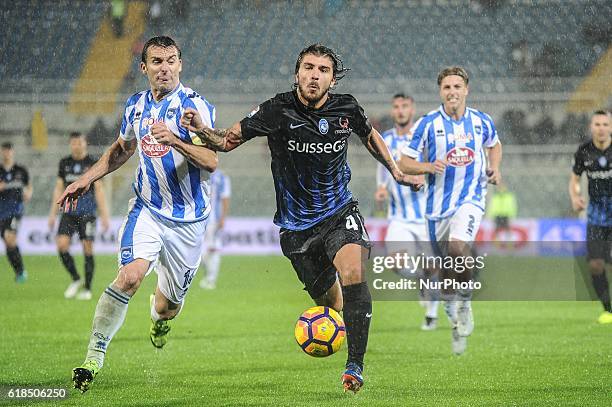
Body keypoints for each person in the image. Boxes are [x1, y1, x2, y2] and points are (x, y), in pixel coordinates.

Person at [180, 43, 420, 393]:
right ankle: (336, 330)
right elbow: (226, 141)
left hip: (340, 212)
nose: (314, 75)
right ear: (297, 73)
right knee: (332, 305)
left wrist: (396, 172)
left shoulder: (347, 108)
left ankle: (355, 366)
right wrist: (202, 128)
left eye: (323, 70)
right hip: (296, 230)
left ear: (332, 79)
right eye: (308, 67)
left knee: (354, 271)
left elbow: (370, 137)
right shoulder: (277, 109)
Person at [57, 36, 218, 393]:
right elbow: (122, 149)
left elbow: (212, 161)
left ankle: (159, 318)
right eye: (157, 61)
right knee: (129, 277)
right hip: (147, 209)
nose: (165, 68)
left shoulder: (196, 107)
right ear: (144, 68)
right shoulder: (135, 106)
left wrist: (176, 139)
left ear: (180, 65)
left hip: (189, 223)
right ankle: (93, 357)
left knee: (167, 308)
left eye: (171, 60)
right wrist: (86, 178)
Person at [398, 66, 502, 355]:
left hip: (471, 199)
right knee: (447, 273)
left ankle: (465, 302)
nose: (452, 92)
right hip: (436, 209)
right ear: (440, 92)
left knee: (459, 248)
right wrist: (428, 166)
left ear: (466, 89)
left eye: (457, 86)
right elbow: (404, 162)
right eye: (447, 87)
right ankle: (452, 313)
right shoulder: (428, 124)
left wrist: (495, 168)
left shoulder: (481, 121)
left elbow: (494, 145)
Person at [374, 94, 438, 330]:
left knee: (435, 265)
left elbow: (435, 164)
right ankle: (420, 275)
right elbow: (382, 166)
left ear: (412, 110)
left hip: (426, 216)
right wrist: (381, 188)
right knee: (396, 263)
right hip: (399, 216)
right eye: (396, 107)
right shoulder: (386, 139)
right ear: (393, 111)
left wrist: (424, 174)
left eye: (405, 106)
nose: (400, 111)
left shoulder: (422, 138)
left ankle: (431, 314)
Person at [49, 132, 111, 300]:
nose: (77, 145)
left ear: (85, 143)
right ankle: (76, 279)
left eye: (80, 142)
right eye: (74, 143)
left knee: (87, 247)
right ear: (71, 144)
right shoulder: (64, 163)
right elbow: (58, 189)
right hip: (68, 213)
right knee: (61, 245)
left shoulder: (92, 163)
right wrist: (52, 214)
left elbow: (99, 189)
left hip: (87, 213)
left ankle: (87, 289)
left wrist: (105, 215)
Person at [569, 110, 611, 324]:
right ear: (591, 127)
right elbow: (574, 179)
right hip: (595, 218)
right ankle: (608, 310)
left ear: (611, 127)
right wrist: (575, 196)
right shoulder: (584, 151)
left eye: (605, 124)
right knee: (595, 265)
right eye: (597, 124)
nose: (601, 128)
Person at [0, 142, 32, 283]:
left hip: (16, 210)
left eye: (9, 150)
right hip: (2, 212)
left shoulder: (21, 170)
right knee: (8, 243)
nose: (7, 153)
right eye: (4, 151)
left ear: (12, 152)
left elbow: (29, 186)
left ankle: (21, 272)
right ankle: (19, 271)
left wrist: (28, 194)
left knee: (9, 237)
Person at [199, 169, 231, 289]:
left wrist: (223, 217)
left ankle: (210, 280)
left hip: (212, 220)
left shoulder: (221, 177)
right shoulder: (199, 173)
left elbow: (225, 198)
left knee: (213, 249)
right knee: (198, 250)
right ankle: (209, 276)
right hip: (199, 219)